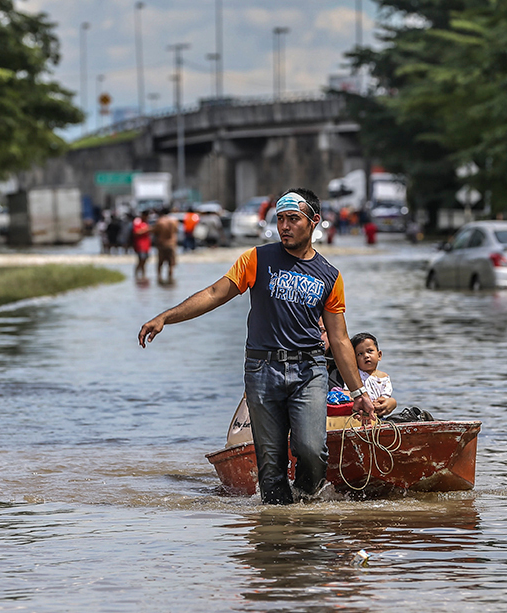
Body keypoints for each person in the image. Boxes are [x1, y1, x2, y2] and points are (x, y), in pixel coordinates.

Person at [138, 187, 375, 504]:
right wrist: (166, 317)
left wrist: (358, 392)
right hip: (263, 369)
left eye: (293, 219)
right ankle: (277, 524)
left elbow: (340, 338)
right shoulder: (257, 259)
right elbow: (214, 294)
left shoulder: (330, 275)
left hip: (309, 370)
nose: (285, 226)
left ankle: (305, 507)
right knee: (270, 460)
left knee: (311, 450)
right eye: (280, 219)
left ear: (314, 221)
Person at [345, 332, 397, 416]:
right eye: (360, 354)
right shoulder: (353, 375)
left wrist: (381, 403)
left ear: (379, 355)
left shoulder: (384, 377)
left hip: (376, 413)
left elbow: (385, 397)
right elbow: (347, 392)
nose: (366, 356)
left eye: (370, 351)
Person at [153, 208, 178, 283]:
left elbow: (155, 232)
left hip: (162, 244)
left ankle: (159, 279)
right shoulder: (174, 221)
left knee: (160, 263)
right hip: (171, 244)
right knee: (171, 264)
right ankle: (170, 279)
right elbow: (176, 231)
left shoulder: (159, 221)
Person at [132, 213, 152, 280]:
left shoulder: (146, 223)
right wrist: (146, 230)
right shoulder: (137, 222)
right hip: (140, 245)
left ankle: (143, 275)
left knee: (145, 261)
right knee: (141, 260)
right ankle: (136, 275)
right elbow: (136, 232)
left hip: (146, 246)